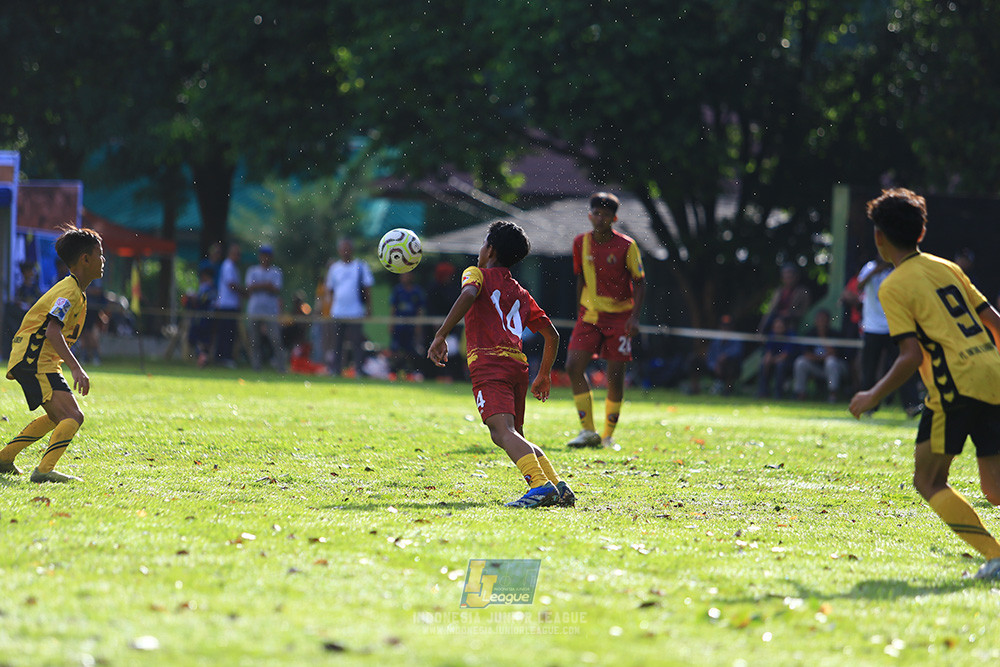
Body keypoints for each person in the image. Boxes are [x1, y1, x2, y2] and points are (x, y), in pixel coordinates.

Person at [849, 188, 1000, 581]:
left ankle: (995, 557)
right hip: (993, 374)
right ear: (921, 231)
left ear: (880, 237)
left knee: (928, 480)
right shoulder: (948, 267)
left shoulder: (894, 285)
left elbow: (911, 356)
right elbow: (994, 322)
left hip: (956, 386)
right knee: (996, 489)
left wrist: (871, 395)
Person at [428, 220, 573, 508]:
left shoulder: (476, 274)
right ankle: (558, 486)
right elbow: (552, 335)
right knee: (512, 432)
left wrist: (441, 334)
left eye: (484, 243)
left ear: (490, 249)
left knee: (501, 431)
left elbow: (469, 294)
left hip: (488, 361)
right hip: (517, 365)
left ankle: (540, 486)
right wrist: (544, 374)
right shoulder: (520, 291)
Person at [0, 227, 104, 483]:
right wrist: (77, 368)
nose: (104, 261)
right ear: (85, 259)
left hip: (37, 358)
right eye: (100, 255)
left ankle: (4, 458)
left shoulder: (74, 289)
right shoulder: (69, 291)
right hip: (35, 358)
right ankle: (44, 471)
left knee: (59, 416)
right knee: (73, 417)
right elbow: (52, 331)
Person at [565, 192, 646, 449]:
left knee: (615, 377)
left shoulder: (626, 245)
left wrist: (634, 318)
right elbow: (580, 277)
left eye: (605, 215)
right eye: (596, 213)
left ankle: (608, 436)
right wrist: (578, 308)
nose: (599, 218)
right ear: (590, 215)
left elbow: (640, 282)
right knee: (572, 367)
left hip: (620, 318)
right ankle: (588, 431)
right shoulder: (580, 243)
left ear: (614, 218)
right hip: (589, 316)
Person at [857, 256, 922, 416]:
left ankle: (911, 405)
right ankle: (868, 406)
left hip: (894, 327)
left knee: (904, 366)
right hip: (872, 327)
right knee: (869, 370)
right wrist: (875, 272)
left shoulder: (898, 270)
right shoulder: (869, 266)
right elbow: (859, 287)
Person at [325, 239, 374, 377]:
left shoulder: (360, 266)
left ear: (352, 250)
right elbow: (330, 289)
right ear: (339, 251)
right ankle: (336, 370)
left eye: (348, 248)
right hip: (338, 312)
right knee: (337, 344)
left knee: (356, 342)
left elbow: (367, 288)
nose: (345, 251)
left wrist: (369, 307)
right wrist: (330, 306)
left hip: (355, 311)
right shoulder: (334, 268)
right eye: (343, 248)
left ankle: (358, 369)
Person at [792, 308, 849, 402]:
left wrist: (823, 337)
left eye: (824, 320)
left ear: (829, 321)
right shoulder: (810, 334)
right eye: (819, 319)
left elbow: (834, 354)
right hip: (817, 367)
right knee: (800, 362)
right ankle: (800, 394)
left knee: (831, 362)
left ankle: (833, 394)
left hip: (836, 368)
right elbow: (806, 354)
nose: (821, 322)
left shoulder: (835, 334)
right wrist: (822, 357)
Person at [245, 245, 286, 372]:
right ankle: (256, 367)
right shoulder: (252, 270)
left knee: (276, 339)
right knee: (254, 341)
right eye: (263, 255)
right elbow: (249, 288)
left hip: (270, 311)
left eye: (268, 256)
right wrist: (266, 285)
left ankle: (281, 368)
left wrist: (259, 286)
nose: (265, 258)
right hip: (255, 310)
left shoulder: (276, 272)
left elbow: (276, 289)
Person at [687, 314, 744, 396]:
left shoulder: (737, 339)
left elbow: (737, 353)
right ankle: (695, 388)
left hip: (728, 369)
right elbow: (710, 356)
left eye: (727, 327)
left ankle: (728, 390)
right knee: (693, 359)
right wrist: (715, 365)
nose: (725, 329)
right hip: (714, 368)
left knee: (731, 363)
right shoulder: (716, 340)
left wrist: (724, 358)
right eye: (723, 327)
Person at [389, 271, 426, 379]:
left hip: (411, 326)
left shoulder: (417, 291)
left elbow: (420, 310)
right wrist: (391, 323)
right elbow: (393, 308)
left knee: (410, 350)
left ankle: (409, 372)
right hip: (398, 326)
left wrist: (418, 326)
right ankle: (394, 372)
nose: (405, 277)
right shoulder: (397, 290)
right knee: (395, 349)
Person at [213, 242, 244, 368]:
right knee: (226, 333)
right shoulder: (228, 266)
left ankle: (223, 357)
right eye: (236, 254)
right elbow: (231, 284)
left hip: (231, 305)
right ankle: (223, 358)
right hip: (227, 305)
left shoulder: (232, 267)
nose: (238, 256)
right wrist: (244, 292)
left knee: (229, 333)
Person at [758, 263, 811, 333]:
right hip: (775, 325)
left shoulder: (803, 292)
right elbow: (770, 311)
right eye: (786, 276)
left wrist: (790, 314)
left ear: (796, 277)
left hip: (792, 326)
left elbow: (805, 311)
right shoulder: (778, 291)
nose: (788, 278)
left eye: (790, 276)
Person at [755, 316, 797, 399]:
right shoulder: (772, 336)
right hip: (776, 360)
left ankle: (778, 392)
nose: (777, 329)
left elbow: (785, 355)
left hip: (789, 362)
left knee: (780, 365)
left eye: (780, 327)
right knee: (763, 364)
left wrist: (772, 360)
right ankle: (763, 391)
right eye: (776, 327)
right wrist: (767, 360)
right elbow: (769, 352)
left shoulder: (791, 335)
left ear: (785, 327)